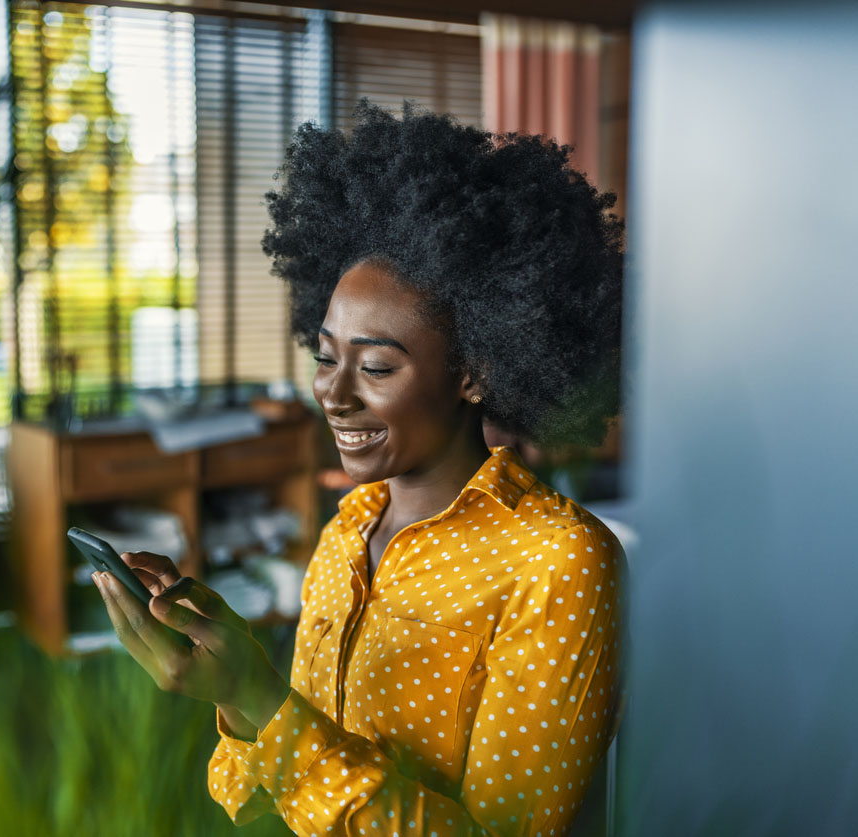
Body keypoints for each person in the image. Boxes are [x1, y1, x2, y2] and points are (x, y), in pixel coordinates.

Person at [91, 101, 627, 836]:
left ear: (477, 371)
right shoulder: (351, 527)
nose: (333, 395)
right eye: (325, 356)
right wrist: (237, 677)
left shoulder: (557, 563)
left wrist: (262, 699)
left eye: (376, 365)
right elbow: (258, 803)